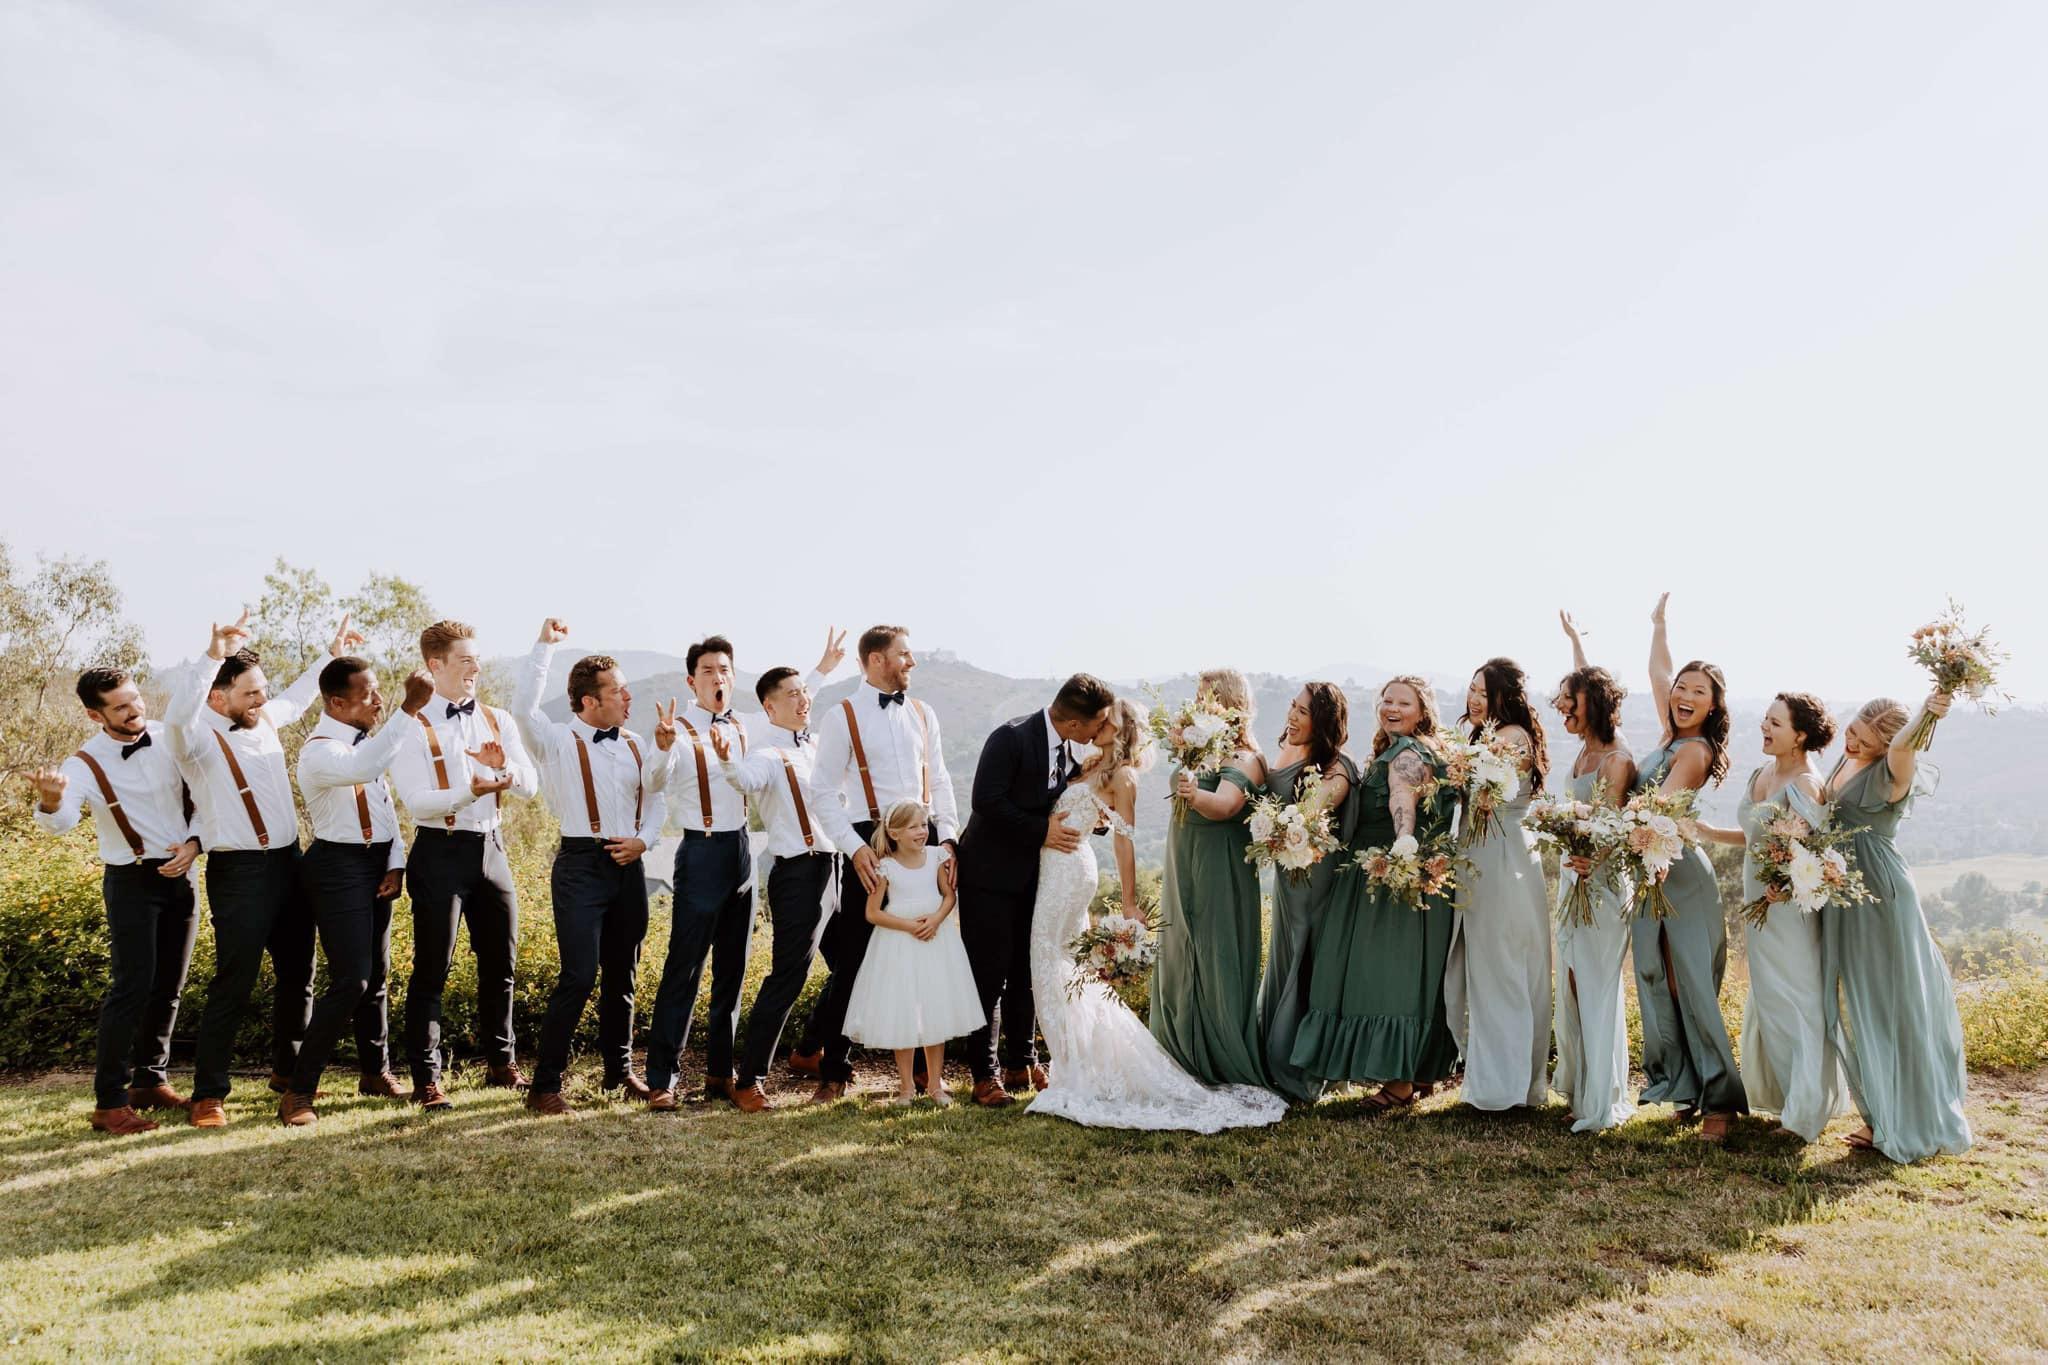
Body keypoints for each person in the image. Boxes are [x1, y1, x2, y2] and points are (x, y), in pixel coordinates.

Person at [1026, 699, 1287, 1131]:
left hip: (1070, 873)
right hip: (1054, 868)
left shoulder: (1124, 776)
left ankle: (1075, 1070)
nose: (1097, 722)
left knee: (1050, 960)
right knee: (1057, 966)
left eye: (1106, 718)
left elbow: (1124, 840)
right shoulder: (1088, 763)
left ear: (1121, 728)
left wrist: (1129, 903)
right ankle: (1077, 1064)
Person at [167, 609, 356, 1127]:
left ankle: (287, 1073)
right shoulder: (194, 739)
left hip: (290, 864)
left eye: (262, 691)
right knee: (235, 981)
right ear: (217, 697)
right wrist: (213, 656)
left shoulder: (266, 718)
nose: (261, 700)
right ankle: (209, 1094)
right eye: (250, 693)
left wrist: (331, 654)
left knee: (300, 973)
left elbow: (297, 697)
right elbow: (177, 717)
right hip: (239, 873)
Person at [30, 666, 203, 1135]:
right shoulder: (83, 764)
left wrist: (194, 843)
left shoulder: (170, 737)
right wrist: (50, 802)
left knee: (170, 986)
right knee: (132, 988)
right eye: (120, 707)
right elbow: (62, 820)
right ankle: (109, 1103)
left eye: (136, 699)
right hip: (131, 882)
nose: (134, 710)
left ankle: (150, 1081)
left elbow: (204, 798)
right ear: (95, 714)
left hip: (183, 875)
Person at [513, 619, 668, 1115]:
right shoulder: (556, 741)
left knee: (623, 975)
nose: (628, 697)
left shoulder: (638, 744)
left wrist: (643, 842)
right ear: (589, 701)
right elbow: (523, 709)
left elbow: (657, 801)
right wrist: (543, 647)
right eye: (618, 691)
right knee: (579, 976)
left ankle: (618, 1073)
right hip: (580, 865)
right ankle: (544, 1086)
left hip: (628, 867)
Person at [802, 626, 961, 1103]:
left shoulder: (923, 713)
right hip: (869, 841)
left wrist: (949, 839)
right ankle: (834, 1071)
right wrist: (854, 848)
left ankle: (926, 1077)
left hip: (925, 840)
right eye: (904, 654)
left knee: (928, 954)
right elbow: (822, 792)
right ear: (876, 660)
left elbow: (941, 779)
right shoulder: (842, 716)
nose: (912, 662)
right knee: (854, 959)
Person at [388, 618, 538, 1110]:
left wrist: (502, 768)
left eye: (477, 659)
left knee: (502, 964)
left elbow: (530, 785)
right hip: (440, 850)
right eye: (465, 660)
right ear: (436, 665)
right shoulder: (411, 725)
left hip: (492, 849)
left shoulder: (497, 718)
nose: (476, 668)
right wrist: (468, 791)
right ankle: (427, 1080)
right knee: (433, 968)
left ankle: (502, 1063)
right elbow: (416, 801)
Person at [1291, 676, 1461, 1109]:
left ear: (1422, 712)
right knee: (1409, 977)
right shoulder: (1418, 749)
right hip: (1407, 876)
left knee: (1387, 978)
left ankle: (1400, 1083)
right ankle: (1414, 1073)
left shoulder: (1405, 754)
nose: (1392, 708)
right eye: (1387, 700)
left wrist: (1403, 843)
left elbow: (1401, 801)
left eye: (1404, 703)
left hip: (1388, 879)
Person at [279, 656, 435, 1125]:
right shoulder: (320, 751)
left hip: (375, 862)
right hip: (337, 866)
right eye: (368, 695)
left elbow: (384, 809)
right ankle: (298, 1092)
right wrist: (409, 709)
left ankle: (374, 1073)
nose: (379, 701)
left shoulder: (365, 743)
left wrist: (395, 862)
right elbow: (367, 767)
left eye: (379, 691)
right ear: (336, 702)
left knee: (378, 975)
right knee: (352, 980)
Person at [954, 673, 1117, 1107]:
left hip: (1037, 877)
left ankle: (1022, 1062)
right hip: (988, 877)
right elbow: (986, 800)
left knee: (1027, 971)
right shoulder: (1009, 738)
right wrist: (1041, 830)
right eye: (1098, 722)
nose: (1101, 730)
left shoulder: (1070, 749)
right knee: (988, 976)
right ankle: (984, 1075)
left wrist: (1092, 820)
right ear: (1076, 723)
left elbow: (1063, 802)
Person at [1822, 694, 1972, 1162]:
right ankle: (1879, 1111)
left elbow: (1904, 746)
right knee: (1857, 998)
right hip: (1844, 891)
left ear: (1887, 747)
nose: (1852, 744)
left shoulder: (1894, 770)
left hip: (1879, 893)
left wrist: (1928, 712)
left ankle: (1903, 1116)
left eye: (1865, 742)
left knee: (1888, 1001)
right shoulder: (1845, 761)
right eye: (1851, 732)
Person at [1701, 693, 1851, 1142]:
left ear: (1800, 735)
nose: (1764, 728)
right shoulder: (1763, 773)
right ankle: (1788, 1096)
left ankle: (1805, 1114)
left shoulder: (1806, 784)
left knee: (1797, 999)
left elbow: (1812, 855)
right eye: (1765, 720)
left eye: (1775, 723)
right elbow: (1756, 837)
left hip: (1789, 909)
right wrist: (1707, 832)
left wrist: (1785, 886)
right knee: (1770, 997)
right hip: (1758, 902)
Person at [1631, 594, 1747, 1141]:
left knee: (1689, 986)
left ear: (1713, 706)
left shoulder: (1694, 751)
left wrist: (1613, 829)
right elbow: (1658, 673)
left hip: (1680, 876)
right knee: (1657, 980)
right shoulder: (1669, 732)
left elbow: (1658, 810)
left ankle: (1719, 1101)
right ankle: (1684, 1087)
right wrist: (1659, 626)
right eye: (1683, 688)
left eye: (1699, 692)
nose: (1683, 695)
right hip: (1648, 870)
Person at [713, 666, 841, 1112]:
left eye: (804, 692)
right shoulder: (767, 754)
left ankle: (808, 1050)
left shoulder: (818, 746)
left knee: (852, 968)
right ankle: (749, 1080)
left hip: (839, 868)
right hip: (799, 874)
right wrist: (727, 761)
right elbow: (744, 780)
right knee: (788, 976)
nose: (803, 700)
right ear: (769, 708)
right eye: (792, 695)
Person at [641, 634, 759, 1110]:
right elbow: (653, 783)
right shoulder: (677, 728)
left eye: (724, 669)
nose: (718, 677)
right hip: (701, 849)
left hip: (743, 850)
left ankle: (720, 1073)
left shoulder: (747, 725)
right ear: (692, 681)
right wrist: (661, 747)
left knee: (733, 968)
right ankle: (661, 1080)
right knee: (684, 968)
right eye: (708, 670)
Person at [1151, 668, 1271, 1089]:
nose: (1198, 703)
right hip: (1183, 856)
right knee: (1179, 949)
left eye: (1206, 696)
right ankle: (1178, 1051)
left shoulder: (1246, 757)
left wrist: (1192, 792)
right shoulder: (1200, 748)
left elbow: (1224, 806)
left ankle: (1219, 1056)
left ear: (1228, 702)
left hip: (1219, 864)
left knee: (1214, 951)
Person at [1445, 658, 1553, 1112]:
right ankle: (1497, 1081)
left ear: (1504, 697)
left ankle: (1505, 1088)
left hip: (1502, 859)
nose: (1474, 699)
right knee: (1488, 968)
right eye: (1471, 689)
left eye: (1484, 692)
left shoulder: (1510, 738)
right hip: (1483, 855)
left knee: (1502, 967)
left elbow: (1487, 788)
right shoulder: (1485, 737)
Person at [1549, 614, 1639, 1134]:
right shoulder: (1586, 747)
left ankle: (1602, 1100)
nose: (1563, 707)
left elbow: (1610, 827)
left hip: (1602, 882)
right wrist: (1575, 644)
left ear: (1594, 706)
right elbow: (1589, 681)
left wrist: (1591, 858)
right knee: (1574, 980)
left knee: (1597, 985)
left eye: (1570, 702)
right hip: (1573, 877)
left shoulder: (1615, 759)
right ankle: (1583, 1086)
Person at [840, 802, 984, 1105]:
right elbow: (872, 913)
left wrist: (935, 920)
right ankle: (906, 1087)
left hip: (936, 941)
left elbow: (949, 896)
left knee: (935, 1009)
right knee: (903, 1012)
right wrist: (909, 926)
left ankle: (935, 1085)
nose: (922, 831)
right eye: (913, 827)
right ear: (894, 833)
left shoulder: (936, 856)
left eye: (923, 825)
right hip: (899, 945)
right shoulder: (886, 866)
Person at [1258, 683, 1358, 1105]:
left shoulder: (1336, 770)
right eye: (1292, 707)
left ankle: (1299, 1065)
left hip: (1314, 882)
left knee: (1304, 960)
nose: (1292, 716)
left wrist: (1276, 826)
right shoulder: (1288, 749)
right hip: (1288, 878)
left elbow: (1312, 812)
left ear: (1323, 721)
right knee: (1285, 958)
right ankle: (1272, 1052)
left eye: (1303, 711)